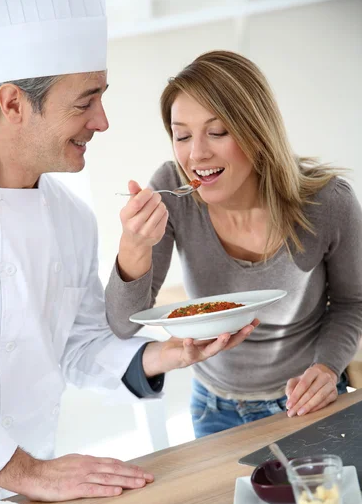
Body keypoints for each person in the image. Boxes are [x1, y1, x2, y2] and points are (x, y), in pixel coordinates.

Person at [0, 0, 256, 504]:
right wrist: (27, 470)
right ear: (13, 104)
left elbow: (79, 344)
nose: (102, 121)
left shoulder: (71, 217)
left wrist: (171, 352)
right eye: (85, 101)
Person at [105, 50, 362, 439]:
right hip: (213, 407)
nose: (197, 154)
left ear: (257, 132)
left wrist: (327, 368)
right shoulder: (171, 193)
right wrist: (133, 245)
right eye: (182, 135)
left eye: (218, 131)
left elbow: (351, 303)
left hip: (306, 399)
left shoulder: (329, 203)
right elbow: (123, 325)